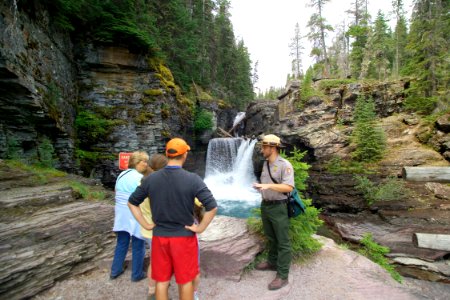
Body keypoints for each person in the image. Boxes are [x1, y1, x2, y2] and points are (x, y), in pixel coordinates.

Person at [128, 137, 217, 300]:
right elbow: (212, 206)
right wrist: (200, 228)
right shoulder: (193, 179)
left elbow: (132, 202)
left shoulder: (150, 179)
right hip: (184, 237)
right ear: (185, 156)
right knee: (185, 281)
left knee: (161, 280)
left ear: (167, 154)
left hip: (160, 236)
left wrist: (145, 224)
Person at [252, 134, 295, 290]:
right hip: (266, 205)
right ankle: (272, 262)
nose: (262, 150)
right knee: (270, 237)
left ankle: (283, 275)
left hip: (279, 207)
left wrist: (268, 187)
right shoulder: (265, 164)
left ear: (272, 148)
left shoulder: (285, 165)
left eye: (264, 147)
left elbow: (288, 187)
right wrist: (260, 187)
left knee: (283, 241)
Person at [110, 150, 149, 282]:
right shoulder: (139, 178)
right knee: (138, 244)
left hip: (121, 214)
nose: (146, 164)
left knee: (122, 242)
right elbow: (144, 198)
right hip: (134, 213)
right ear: (137, 162)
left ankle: (115, 270)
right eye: (144, 161)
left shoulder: (122, 174)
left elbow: (116, 191)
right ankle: (137, 274)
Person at [139, 154, 169, 300]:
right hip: (159, 231)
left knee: (155, 261)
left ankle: (152, 290)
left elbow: (133, 204)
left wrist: (144, 223)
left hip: (148, 230)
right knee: (161, 263)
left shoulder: (143, 183)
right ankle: (157, 293)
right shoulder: (160, 185)